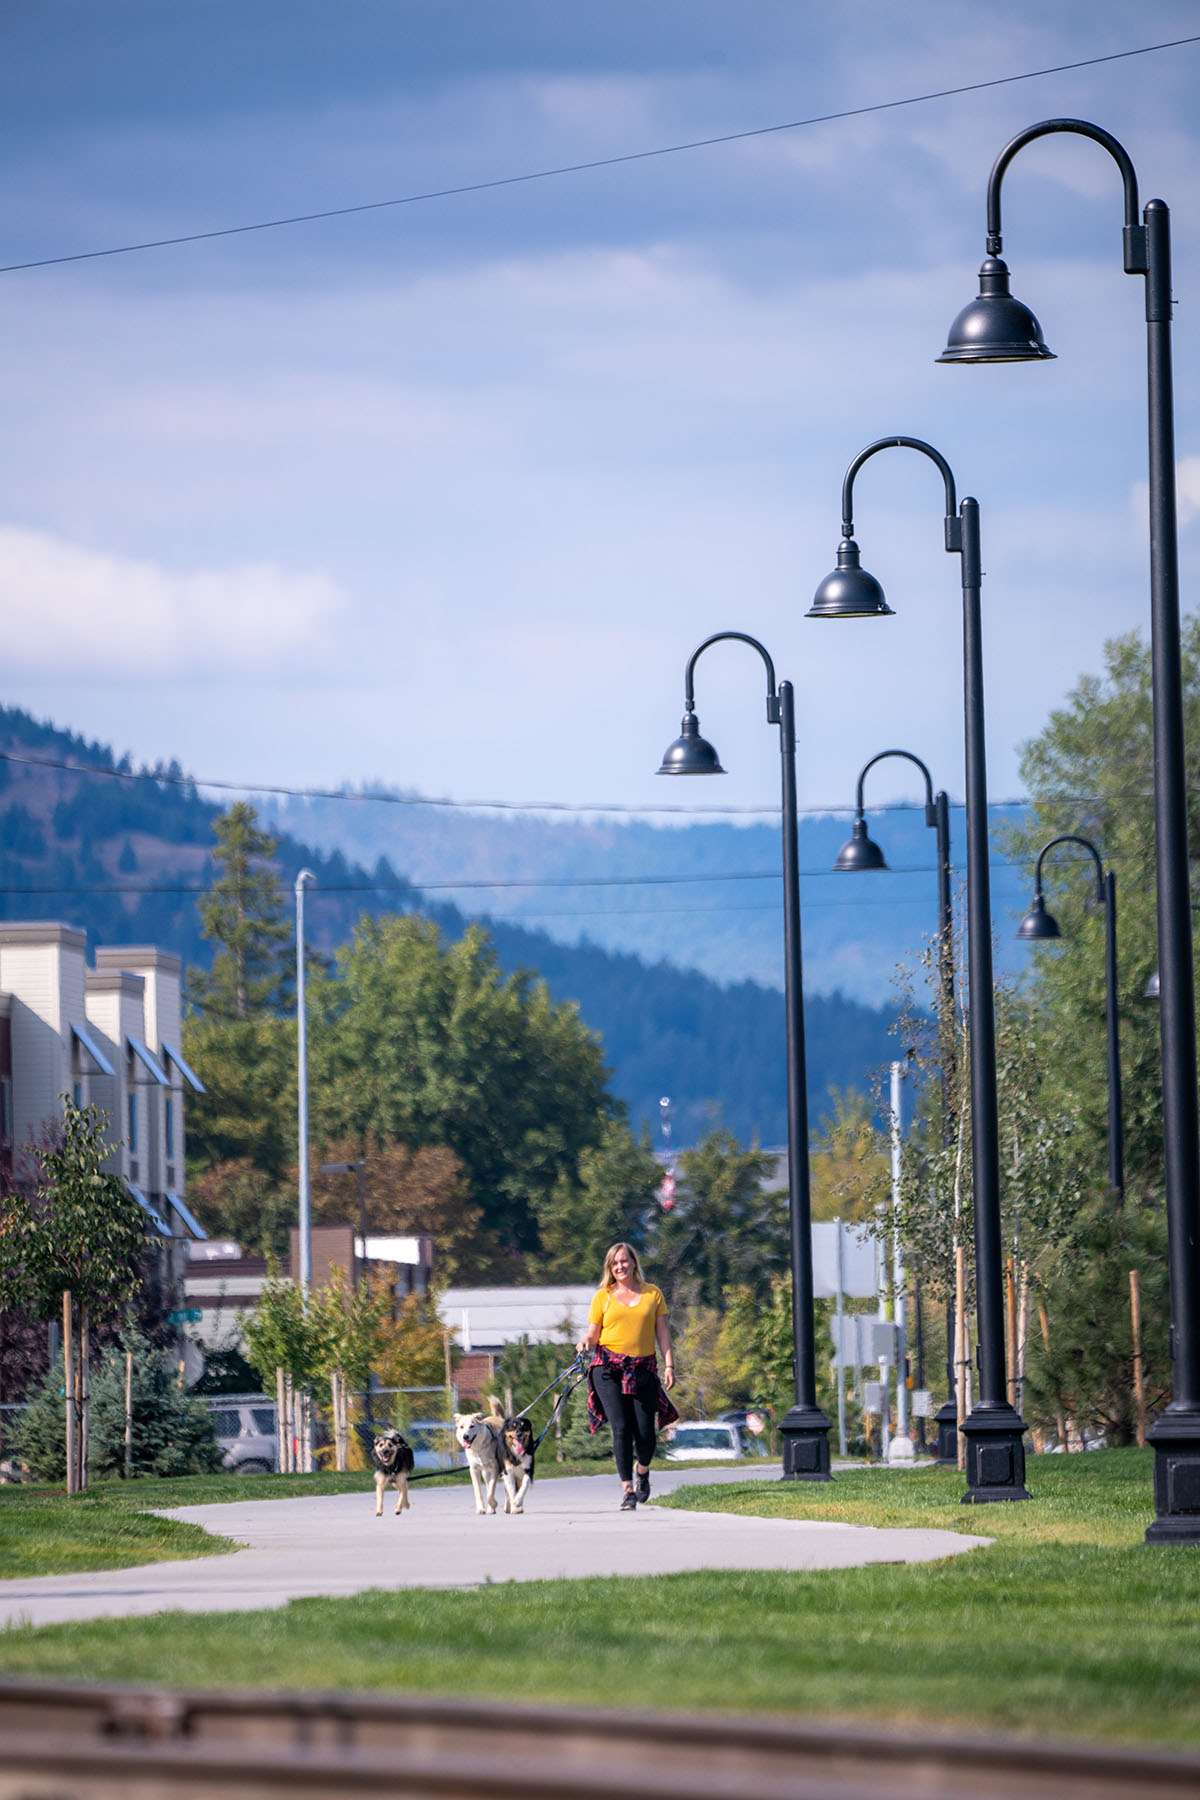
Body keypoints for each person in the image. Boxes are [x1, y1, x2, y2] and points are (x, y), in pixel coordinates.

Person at [576, 1241, 677, 1511]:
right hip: (607, 1369)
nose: (620, 1266)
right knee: (621, 1429)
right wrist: (586, 1341)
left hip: (643, 1369)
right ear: (610, 1268)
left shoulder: (652, 1294)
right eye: (615, 1263)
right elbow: (593, 1331)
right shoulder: (603, 1296)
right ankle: (627, 1490)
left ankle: (642, 1470)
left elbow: (663, 1333)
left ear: (633, 1263)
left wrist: (669, 1365)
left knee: (645, 1434)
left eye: (624, 1261)